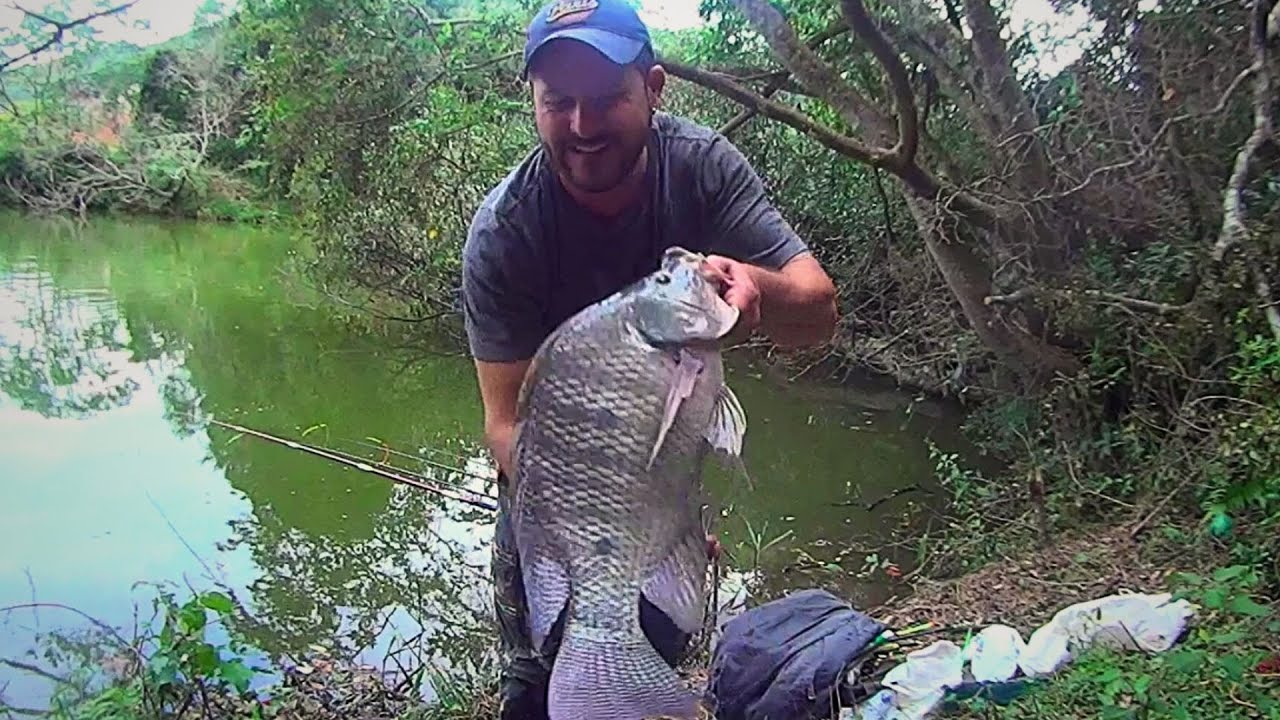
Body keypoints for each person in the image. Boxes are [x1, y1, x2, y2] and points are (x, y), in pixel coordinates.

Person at [459, 0, 839, 716]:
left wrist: (756, 284)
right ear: (533, 102)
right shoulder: (505, 230)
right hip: (553, 479)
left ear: (655, 89)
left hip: (662, 466)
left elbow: (818, 312)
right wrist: (604, 520)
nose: (582, 126)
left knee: (656, 637)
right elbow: (504, 423)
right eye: (559, 102)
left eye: (606, 100)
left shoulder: (702, 166)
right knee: (536, 675)